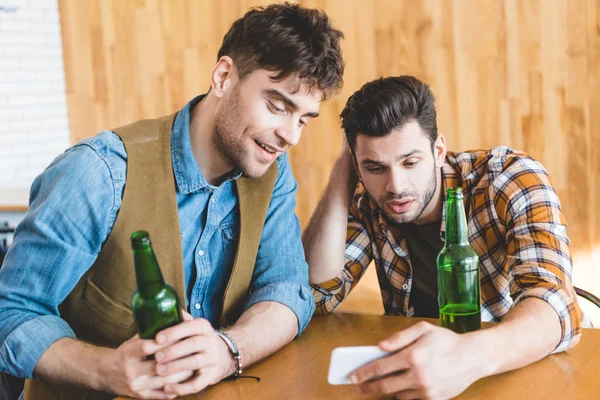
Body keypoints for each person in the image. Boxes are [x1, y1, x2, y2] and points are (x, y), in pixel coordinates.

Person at [0, 3, 344, 399]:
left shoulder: (272, 172)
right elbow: (11, 312)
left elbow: (286, 288)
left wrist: (228, 349)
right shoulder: (98, 174)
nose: (291, 136)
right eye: (278, 106)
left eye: (303, 118)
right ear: (224, 77)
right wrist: (105, 369)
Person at [303, 75, 590, 399]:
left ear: (438, 150)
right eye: (375, 167)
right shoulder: (366, 201)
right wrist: (342, 172)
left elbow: (557, 307)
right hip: (416, 379)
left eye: (410, 162)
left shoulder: (509, 178)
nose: (395, 185)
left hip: (512, 370)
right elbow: (315, 296)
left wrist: (468, 357)